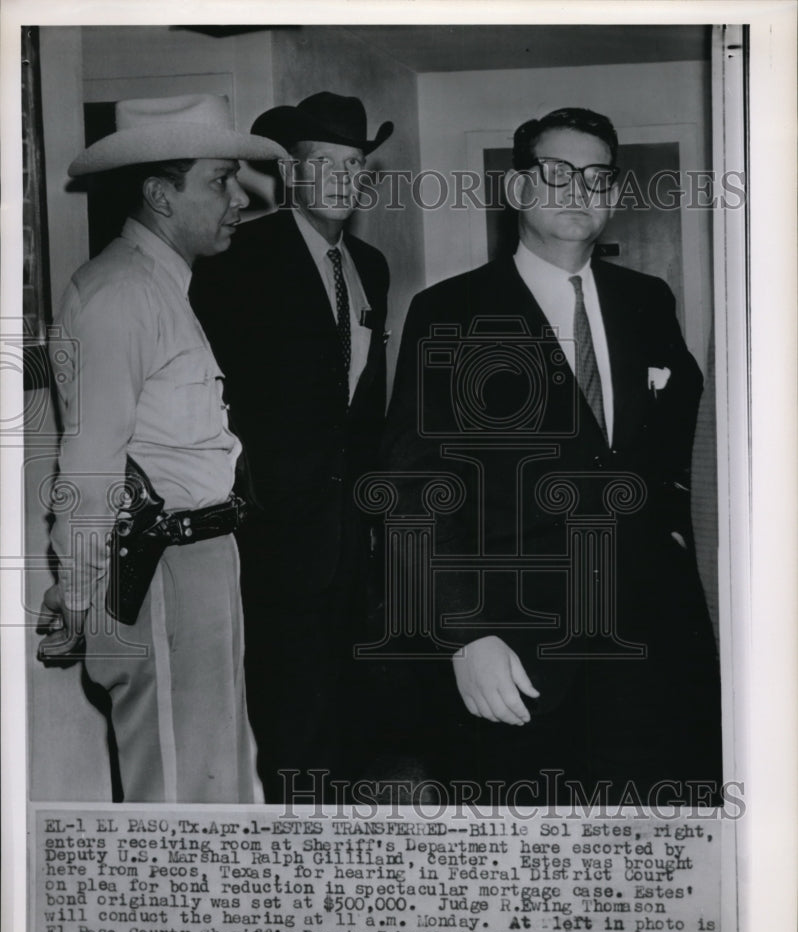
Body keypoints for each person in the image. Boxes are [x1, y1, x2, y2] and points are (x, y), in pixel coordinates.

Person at [382, 107, 722, 804]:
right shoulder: (450, 311)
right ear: (516, 190)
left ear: (616, 196)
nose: (579, 191)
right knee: (523, 863)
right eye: (558, 173)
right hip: (516, 646)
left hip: (646, 641)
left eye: (598, 177)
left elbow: (683, 442)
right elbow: (411, 486)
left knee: (651, 855)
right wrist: (463, 638)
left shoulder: (647, 302)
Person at [37, 94, 285, 802]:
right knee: (178, 795)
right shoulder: (121, 293)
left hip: (195, 559)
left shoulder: (163, 287)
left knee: (217, 777)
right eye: (219, 180)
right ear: (158, 194)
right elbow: (87, 471)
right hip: (157, 567)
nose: (239, 198)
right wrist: (83, 596)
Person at [190, 92, 392, 801]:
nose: (343, 178)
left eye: (356, 164)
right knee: (289, 716)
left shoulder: (371, 263)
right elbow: (208, 388)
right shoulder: (241, 256)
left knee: (349, 708)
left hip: (353, 533)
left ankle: (341, 837)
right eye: (323, 163)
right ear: (291, 174)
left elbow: (361, 402)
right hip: (274, 533)